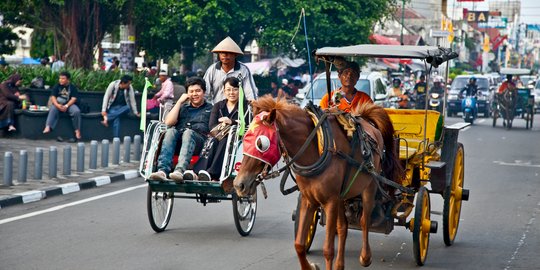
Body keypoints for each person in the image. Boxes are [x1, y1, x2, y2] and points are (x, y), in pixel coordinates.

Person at [149, 77, 213, 182]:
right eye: (191, 91)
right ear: (187, 93)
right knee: (170, 131)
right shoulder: (183, 107)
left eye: (198, 91)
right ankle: (162, 170)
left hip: (199, 143)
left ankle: (179, 170)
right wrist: (179, 102)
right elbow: (168, 122)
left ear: (204, 92)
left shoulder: (210, 108)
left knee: (188, 133)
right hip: (178, 142)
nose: (195, 94)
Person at [184, 77, 248, 181]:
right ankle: (197, 173)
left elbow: (249, 125)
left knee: (225, 140)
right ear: (224, 91)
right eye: (228, 89)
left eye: (235, 89)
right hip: (218, 136)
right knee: (212, 141)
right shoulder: (218, 106)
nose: (231, 92)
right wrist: (222, 130)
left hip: (238, 140)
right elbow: (212, 126)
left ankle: (212, 172)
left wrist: (231, 122)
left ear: (240, 90)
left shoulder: (246, 107)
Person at [203, 36, 258, 104]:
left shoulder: (243, 70)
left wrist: (253, 105)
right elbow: (204, 92)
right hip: (217, 109)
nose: (224, 55)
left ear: (235, 55)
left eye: (228, 53)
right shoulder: (212, 69)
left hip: (238, 110)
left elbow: (250, 93)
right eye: (221, 52)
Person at [42, 71, 82, 142]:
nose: (61, 80)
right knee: (53, 109)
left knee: (76, 111)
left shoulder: (72, 87)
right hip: (58, 104)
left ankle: (77, 131)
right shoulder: (57, 86)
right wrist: (57, 105)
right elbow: (53, 97)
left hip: (69, 104)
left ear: (68, 80)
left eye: (63, 78)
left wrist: (66, 106)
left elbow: (74, 98)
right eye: (60, 78)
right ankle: (48, 126)